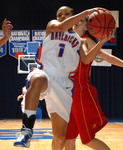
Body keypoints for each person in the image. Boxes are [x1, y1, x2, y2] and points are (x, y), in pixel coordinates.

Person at [13, 6, 113, 150]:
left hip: (64, 84)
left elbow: (86, 60)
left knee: (60, 138)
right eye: (59, 14)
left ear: (73, 17)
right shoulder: (52, 25)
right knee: (38, 79)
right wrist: (86, 13)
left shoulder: (78, 40)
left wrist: (101, 42)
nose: (62, 16)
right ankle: (26, 130)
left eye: (66, 14)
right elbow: (62, 26)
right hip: (46, 72)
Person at [65, 18, 123, 150]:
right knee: (68, 138)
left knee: (87, 140)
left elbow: (108, 57)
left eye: (80, 22)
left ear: (87, 28)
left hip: (81, 93)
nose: (76, 22)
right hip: (68, 96)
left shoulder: (86, 40)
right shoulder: (67, 41)